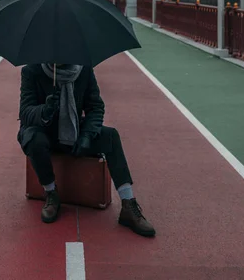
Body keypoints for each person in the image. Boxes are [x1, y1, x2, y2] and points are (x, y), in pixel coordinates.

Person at [17, 62, 156, 238]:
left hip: (74, 131)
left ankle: (128, 204)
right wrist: (45, 110)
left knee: (111, 136)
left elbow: (95, 107)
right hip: (45, 131)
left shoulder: (83, 70)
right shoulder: (32, 71)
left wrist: (87, 136)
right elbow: (25, 112)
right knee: (33, 139)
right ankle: (51, 192)